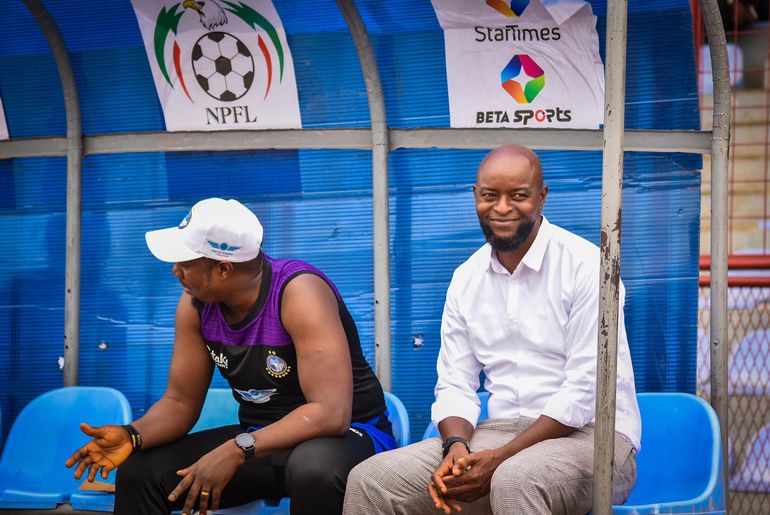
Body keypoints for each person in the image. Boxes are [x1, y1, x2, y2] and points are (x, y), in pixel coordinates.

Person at [343, 145, 641, 515]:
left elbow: (583, 391)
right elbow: (454, 384)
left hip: (595, 438)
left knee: (515, 479)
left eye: (518, 196)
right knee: (371, 480)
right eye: (489, 196)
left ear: (542, 196)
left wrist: (500, 458)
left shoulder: (587, 266)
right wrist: (456, 448)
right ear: (475, 196)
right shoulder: (466, 278)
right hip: (498, 433)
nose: (501, 208)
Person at [65, 198, 395, 515]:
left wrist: (238, 448)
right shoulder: (195, 304)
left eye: (185, 264)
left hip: (349, 436)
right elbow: (179, 403)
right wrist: (132, 435)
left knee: (314, 468)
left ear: (223, 269)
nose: (176, 272)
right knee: (141, 472)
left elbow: (331, 413)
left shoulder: (298, 292)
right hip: (262, 439)